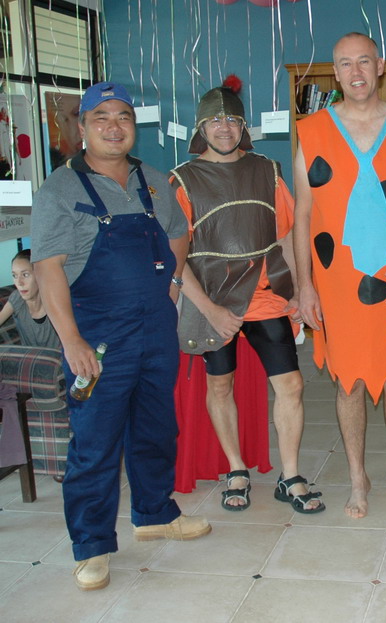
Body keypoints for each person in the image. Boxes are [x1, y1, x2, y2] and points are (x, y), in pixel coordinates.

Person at [30, 82, 210, 592]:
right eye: (101, 118)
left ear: (134, 126)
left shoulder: (153, 179)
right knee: (95, 442)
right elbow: (48, 269)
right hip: (97, 336)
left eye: (123, 117)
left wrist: (172, 284)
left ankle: (155, 514)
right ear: (82, 127)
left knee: (156, 429)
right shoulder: (58, 190)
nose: (114, 127)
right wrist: (71, 341)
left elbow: (179, 232)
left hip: (155, 327)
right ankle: (90, 547)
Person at [293, 32, 386, 519]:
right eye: (345, 64)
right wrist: (305, 286)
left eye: (364, 62)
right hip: (337, 282)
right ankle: (358, 478)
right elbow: (302, 216)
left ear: (380, 65)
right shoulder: (312, 131)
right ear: (335, 72)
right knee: (348, 382)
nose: (356, 72)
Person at [171, 78, 323, 513]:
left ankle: (290, 475)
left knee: (291, 385)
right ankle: (236, 469)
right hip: (213, 301)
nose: (225, 128)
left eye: (233, 120)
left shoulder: (267, 170)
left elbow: (287, 234)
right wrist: (209, 311)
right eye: (215, 120)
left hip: (265, 293)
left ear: (243, 127)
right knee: (220, 385)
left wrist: (296, 291)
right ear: (201, 127)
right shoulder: (182, 180)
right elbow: (176, 259)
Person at [0, 249, 60, 349]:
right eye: (15, 275)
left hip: (58, 357)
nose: (19, 283)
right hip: (30, 358)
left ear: (40, 275)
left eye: (25, 275)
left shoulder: (56, 300)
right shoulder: (17, 298)